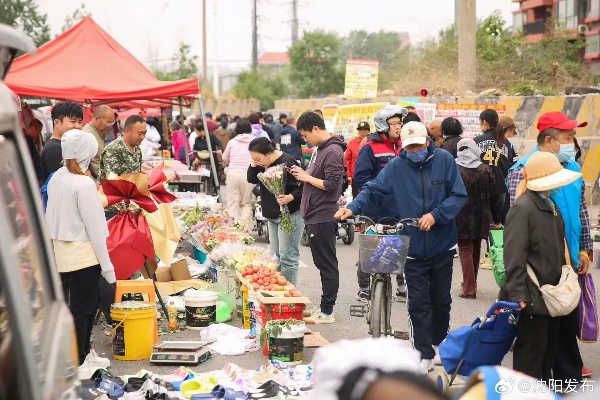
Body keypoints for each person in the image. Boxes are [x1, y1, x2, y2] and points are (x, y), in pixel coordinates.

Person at [336, 121, 468, 373]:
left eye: (418, 145)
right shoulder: (397, 165)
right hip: (412, 245)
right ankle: (423, 352)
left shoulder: (444, 160)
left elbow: (458, 195)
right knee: (417, 302)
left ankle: (439, 343)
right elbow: (374, 189)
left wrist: (436, 215)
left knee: (441, 300)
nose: (414, 150)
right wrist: (352, 207)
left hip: (442, 244)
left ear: (427, 141)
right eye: (409, 147)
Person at [506, 111, 593, 380]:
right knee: (534, 344)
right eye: (568, 137)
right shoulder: (523, 174)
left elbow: (580, 213)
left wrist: (583, 249)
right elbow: (516, 245)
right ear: (549, 140)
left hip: (562, 267)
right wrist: (518, 290)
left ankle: (563, 378)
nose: (572, 143)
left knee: (559, 328)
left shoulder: (570, 170)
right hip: (535, 278)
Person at [45, 129, 117, 379]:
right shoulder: (84, 183)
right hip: (84, 254)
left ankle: (81, 354)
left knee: (73, 308)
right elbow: (96, 229)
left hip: (62, 253)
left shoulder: (57, 177)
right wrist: (108, 268)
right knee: (83, 309)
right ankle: (80, 360)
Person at [289, 111, 346, 324]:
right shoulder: (321, 149)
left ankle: (327, 311)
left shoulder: (332, 151)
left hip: (323, 214)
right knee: (322, 263)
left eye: (305, 135)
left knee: (327, 264)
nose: (305, 139)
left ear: (315, 128)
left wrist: (305, 177)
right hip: (315, 213)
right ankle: (323, 308)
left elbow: (332, 185)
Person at [354, 105, 406, 302]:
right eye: (393, 123)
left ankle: (401, 284)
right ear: (383, 125)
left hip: (400, 208)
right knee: (369, 246)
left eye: (399, 123)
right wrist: (379, 191)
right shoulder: (370, 148)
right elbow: (360, 177)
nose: (398, 127)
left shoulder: (405, 146)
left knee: (400, 244)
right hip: (374, 209)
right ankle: (364, 286)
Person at [247, 137, 304, 285]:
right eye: (254, 159)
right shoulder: (262, 165)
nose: (257, 162)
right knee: (275, 257)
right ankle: (278, 288)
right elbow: (251, 179)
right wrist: (254, 164)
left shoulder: (289, 163)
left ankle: (289, 293)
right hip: (272, 216)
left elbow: (303, 187)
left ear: (269, 153)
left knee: (287, 256)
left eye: (258, 158)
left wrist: (290, 197)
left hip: (289, 215)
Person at [455, 138, 502, 299]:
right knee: (475, 248)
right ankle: (471, 282)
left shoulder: (455, 169)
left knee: (465, 249)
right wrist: (497, 219)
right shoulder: (485, 170)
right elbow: (494, 197)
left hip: (461, 215)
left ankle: (469, 287)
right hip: (482, 215)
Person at [474, 109, 517, 224]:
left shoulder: (476, 141)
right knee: (497, 224)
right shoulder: (506, 143)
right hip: (500, 188)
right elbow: (512, 165)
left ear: (484, 123)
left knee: (481, 225)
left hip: (480, 188)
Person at [41, 101, 84, 182]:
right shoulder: (54, 149)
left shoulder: (66, 146)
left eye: (80, 122)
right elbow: (62, 183)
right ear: (57, 123)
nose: (78, 126)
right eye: (73, 121)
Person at [222, 120, 256, 221]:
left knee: (232, 203)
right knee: (247, 203)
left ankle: (234, 228)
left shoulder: (232, 142)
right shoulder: (255, 141)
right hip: (249, 175)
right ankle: (244, 228)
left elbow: (225, 158)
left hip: (233, 174)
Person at [82, 105, 115, 178]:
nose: (110, 126)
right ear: (97, 119)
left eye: (112, 122)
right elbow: (94, 165)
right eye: (108, 122)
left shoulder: (99, 132)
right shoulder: (88, 135)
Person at [345, 121, 371, 199]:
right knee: (356, 198)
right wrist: (348, 175)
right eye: (360, 130)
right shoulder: (352, 143)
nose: (362, 132)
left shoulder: (372, 142)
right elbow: (347, 160)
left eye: (364, 130)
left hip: (370, 175)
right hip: (356, 176)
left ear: (368, 131)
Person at [23, 119, 43, 184]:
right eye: (38, 131)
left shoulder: (27, 139)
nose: (38, 134)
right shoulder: (27, 140)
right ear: (33, 129)